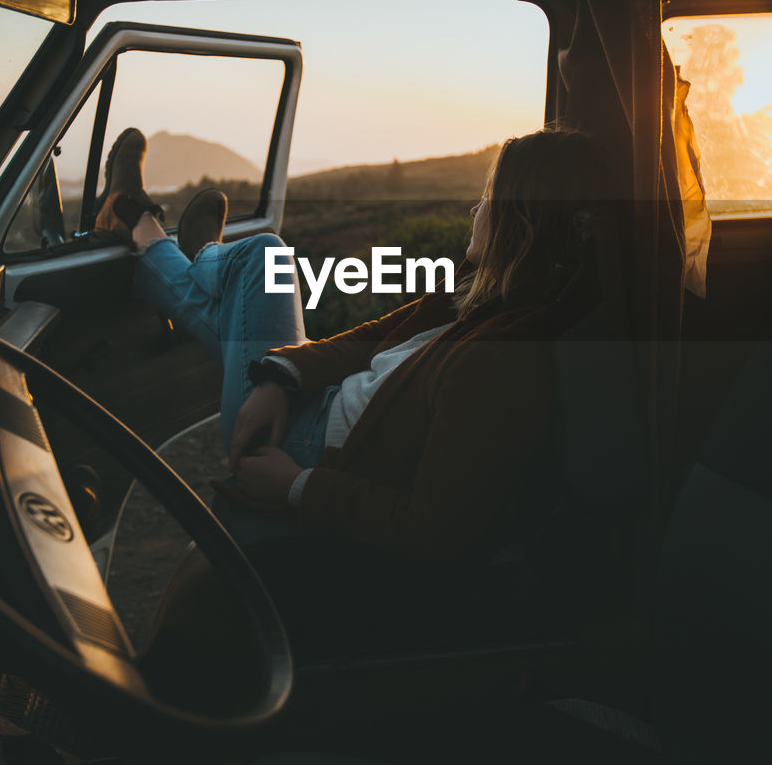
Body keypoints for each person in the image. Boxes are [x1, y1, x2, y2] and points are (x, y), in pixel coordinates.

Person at [95, 126, 602, 699]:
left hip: (302, 445)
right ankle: (165, 242)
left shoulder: (502, 359)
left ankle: (165, 237)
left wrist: (297, 485)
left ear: (521, 220)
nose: (474, 207)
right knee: (252, 280)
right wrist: (281, 376)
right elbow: (370, 338)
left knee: (262, 255)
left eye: (488, 198)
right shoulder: (478, 297)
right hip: (313, 406)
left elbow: (432, 530)